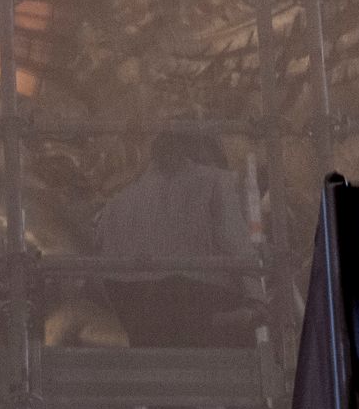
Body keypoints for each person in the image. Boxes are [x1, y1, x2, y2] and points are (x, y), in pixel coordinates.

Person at [89, 132, 252, 346]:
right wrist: (257, 298)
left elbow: (97, 250)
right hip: (190, 301)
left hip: (132, 311)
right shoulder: (215, 181)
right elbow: (235, 243)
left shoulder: (118, 199)